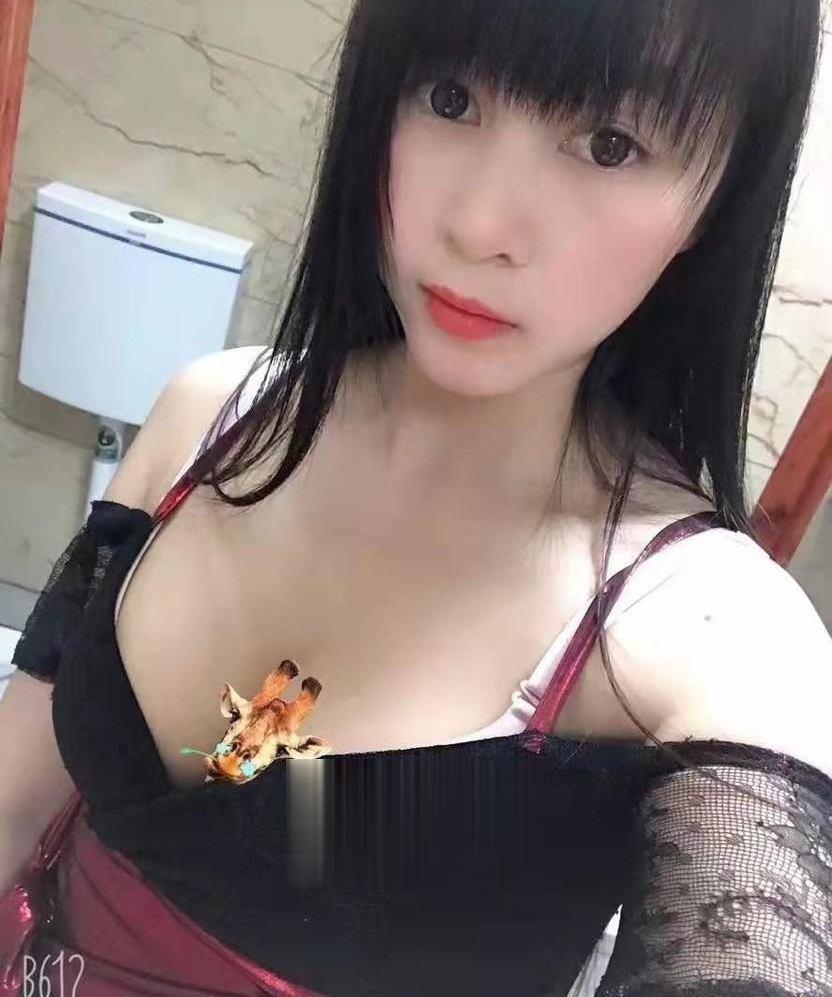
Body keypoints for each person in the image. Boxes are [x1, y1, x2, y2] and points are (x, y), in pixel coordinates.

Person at [2, 0, 831, 994]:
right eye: (448, 98)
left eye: (610, 144)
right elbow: (13, 808)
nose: (478, 225)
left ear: (718, 194)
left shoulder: (714, 636)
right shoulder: (210, 416)